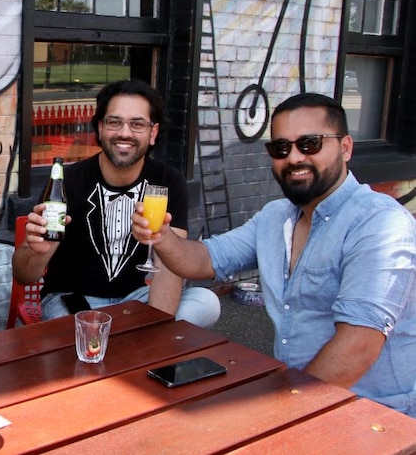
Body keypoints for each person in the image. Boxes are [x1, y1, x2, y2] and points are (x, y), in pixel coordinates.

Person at [132, 92, 416, 417]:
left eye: (309, 143)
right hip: (301, 396)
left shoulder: (380, 222)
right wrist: (162, 236)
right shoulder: (276, 216)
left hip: (372, 416)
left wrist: (281, 414)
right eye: (280, 148)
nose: (294, 157)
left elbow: (358, 346)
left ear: (345, 147)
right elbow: (204, 259)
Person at [12, 80, 220, 327]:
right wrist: (37, 252)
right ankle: (124, 344)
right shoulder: (67, 181)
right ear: (100, 128)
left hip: (135, 300)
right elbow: (24, 276)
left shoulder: (167, 182)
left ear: (152, 133)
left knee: (206, 302)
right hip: (75, 302)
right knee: (73, 331)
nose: (125, 133)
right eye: (114, 122)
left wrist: (157, 327)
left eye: (137, 124)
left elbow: (169, 267)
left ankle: (131, 343)